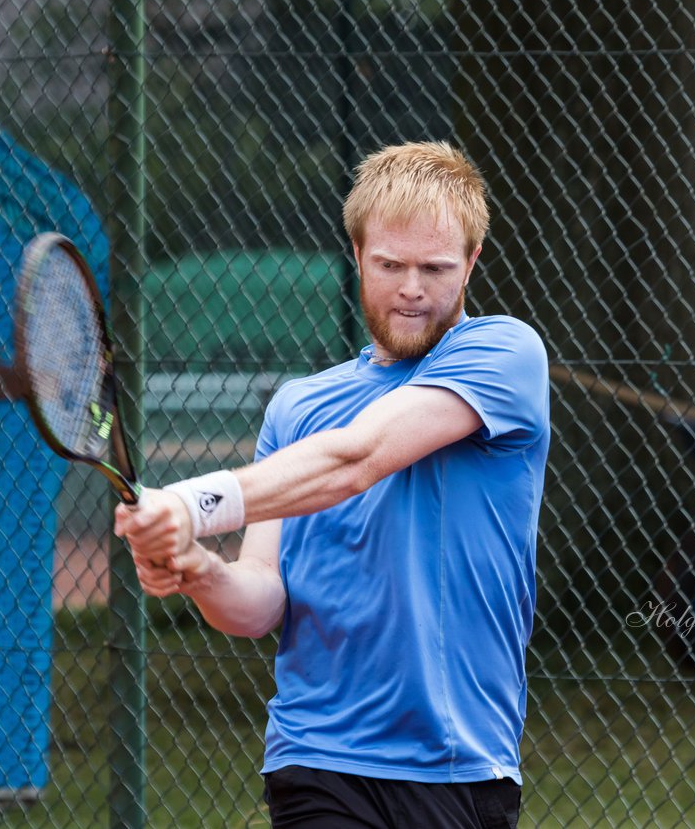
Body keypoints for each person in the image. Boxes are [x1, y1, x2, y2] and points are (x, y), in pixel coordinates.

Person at [115, 141, 550, 828]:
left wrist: (190, 503)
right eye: (390, 265)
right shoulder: (297, 408)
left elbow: (361, 457)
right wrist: (196, 567)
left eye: (435, 268)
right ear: (356, 256)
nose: (411, 287)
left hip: (458, 766)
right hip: (316, 759)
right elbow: (260, 605)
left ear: (470, 263)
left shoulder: (505, 355)